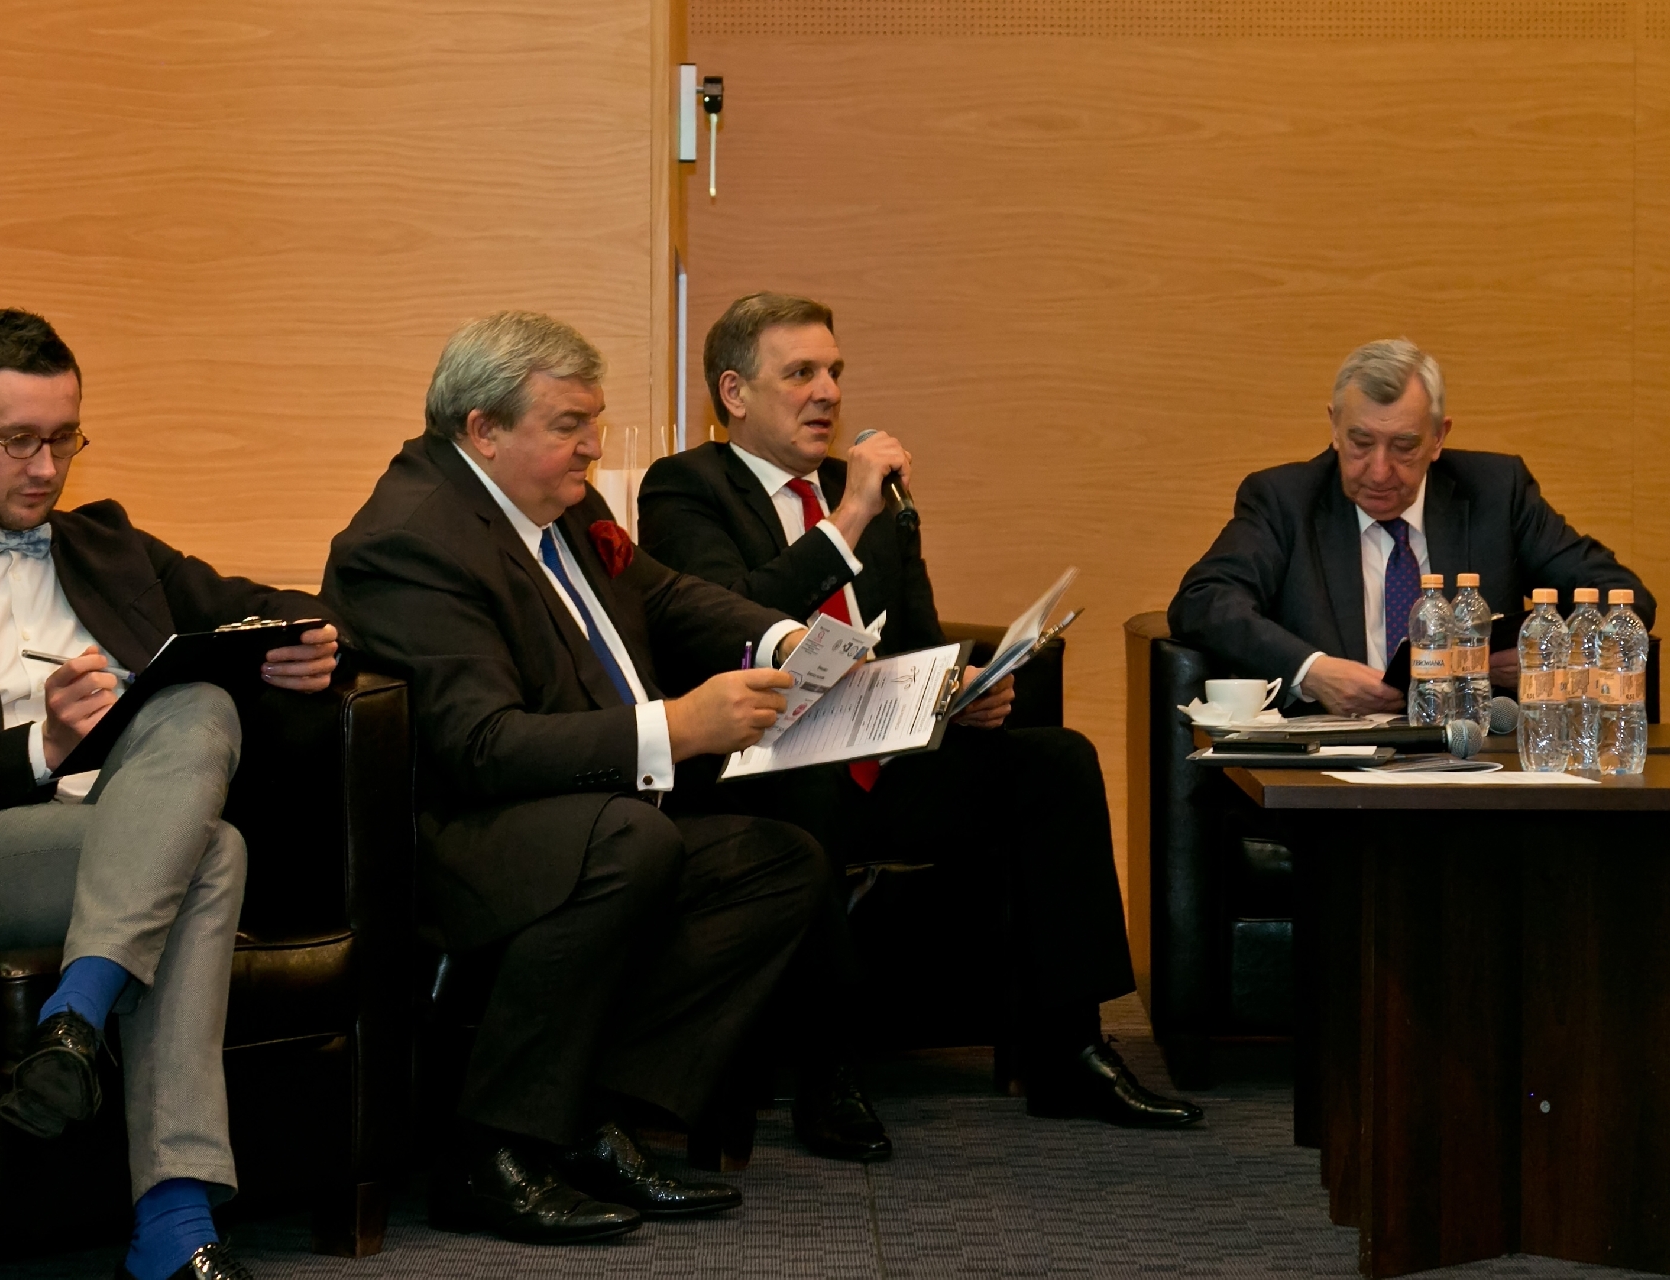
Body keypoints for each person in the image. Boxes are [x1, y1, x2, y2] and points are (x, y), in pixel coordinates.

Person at [0, 309, 340, 1280]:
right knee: (212, 849)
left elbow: (272, 606)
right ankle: (168, 1220)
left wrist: (315, 642)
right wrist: (42, 745)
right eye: (19, 441)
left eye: (66, 438)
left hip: (131, 830)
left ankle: (76, 1032)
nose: (46, 468)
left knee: (201, 717)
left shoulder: (110, 544)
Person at [637, 291, 1202, 1143]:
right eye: (801, 373)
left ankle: (1071, 1050)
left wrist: (962, 690)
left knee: (1056, 762)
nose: (828, 392)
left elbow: (915, 642)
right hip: (763, 771)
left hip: (880, 762)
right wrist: (850, 517)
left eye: (834, 371)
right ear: (734, 392)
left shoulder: (867, 494)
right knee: (810, 781)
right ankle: (827, 1070)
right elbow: (728, 618)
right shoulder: (688, 487)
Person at [320, 311, 832, 1245]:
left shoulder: (560, 500)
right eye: (569, 425)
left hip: (575, 812)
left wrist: (781, 638)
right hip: (450, 839)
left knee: (775, 861)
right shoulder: (412, 539)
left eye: (593, 421)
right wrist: (677, 727)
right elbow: (479, 746)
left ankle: (592, 1115)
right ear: (483, 428)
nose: (593, 446)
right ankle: (490, 1152)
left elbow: (661, 592)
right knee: (629, 839)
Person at [1169, 338, 1653, 713]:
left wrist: (1544, 650)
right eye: (1360, 443)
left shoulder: (1495, 494)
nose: (1379, 471)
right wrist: (1311, 671)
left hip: (1470, 757)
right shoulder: (1284, 500)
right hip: (1332, 767)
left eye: (1403, 447)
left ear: (1438, 438)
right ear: (1334, 427)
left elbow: (1624, 597)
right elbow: (1203, 600)